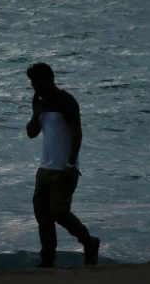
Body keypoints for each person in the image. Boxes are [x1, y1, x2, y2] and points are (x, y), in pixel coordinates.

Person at [25, 62, 100, 268]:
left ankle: (88, 241)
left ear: (47, 80)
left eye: (36, 83)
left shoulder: (66, 101)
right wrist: (35, 113)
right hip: (45, 168)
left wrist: (70, 163)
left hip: (64, 168)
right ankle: (48, 258)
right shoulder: (41, 103)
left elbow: (77, 133)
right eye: (32, 83)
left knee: (58, 211)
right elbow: (31, 133)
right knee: (42, 213)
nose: (34, 87)